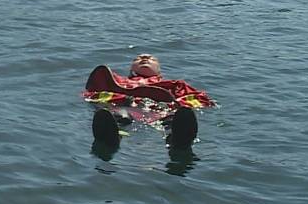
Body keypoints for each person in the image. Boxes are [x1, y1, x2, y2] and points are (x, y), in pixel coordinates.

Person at [84, 54, 216, 150]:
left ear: (158, 70)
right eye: (138, 58)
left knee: (173, 118)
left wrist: (177, 104)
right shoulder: (116, 81)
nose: (145, 58)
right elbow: (92, 94)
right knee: (119, 115)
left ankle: (176, 139)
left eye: (152, 59)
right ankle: (113, 137)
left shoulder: (174, 85)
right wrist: (123, 99)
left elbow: (200, 99)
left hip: (162, 109)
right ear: (132, 69)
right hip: (127, 107)